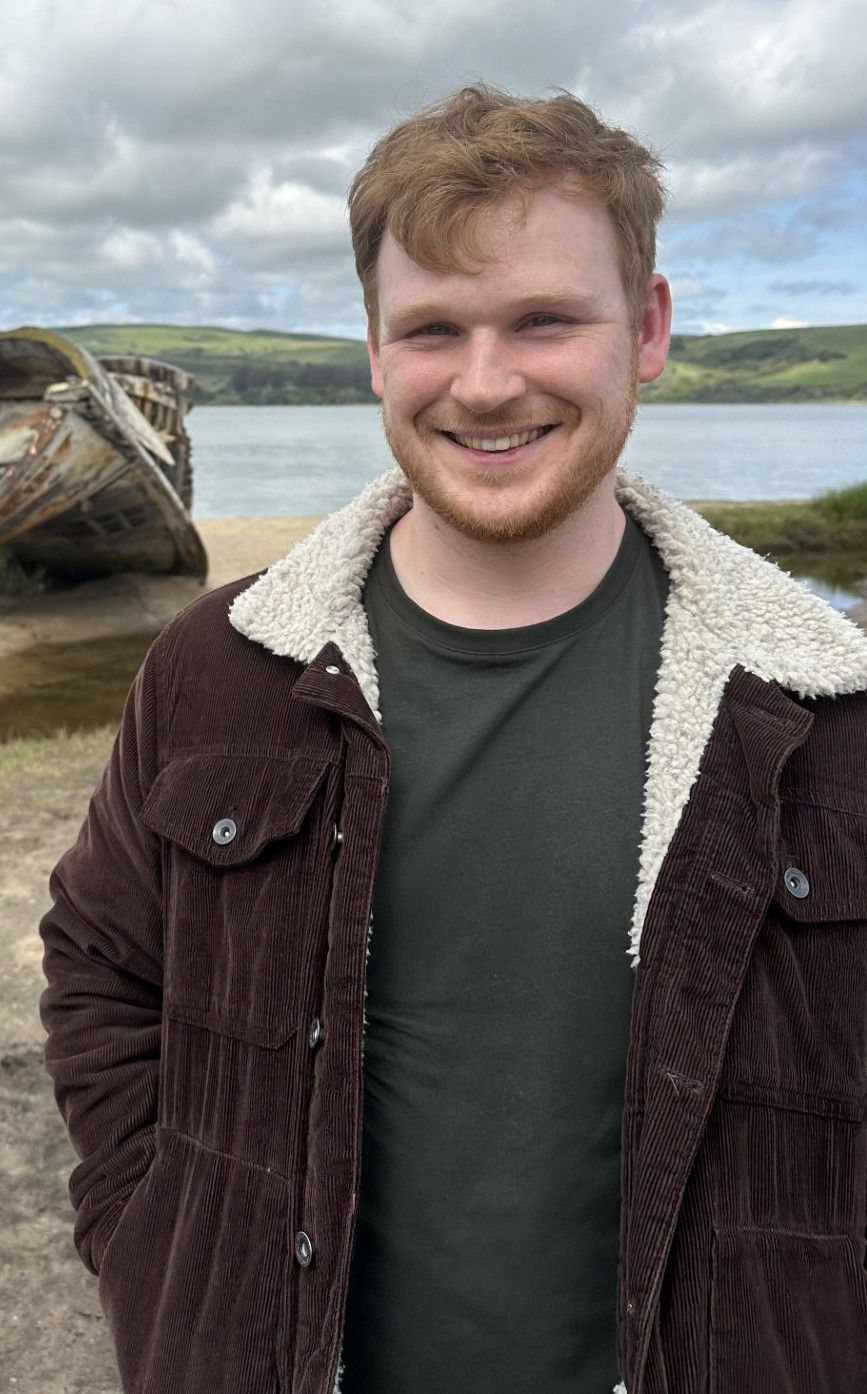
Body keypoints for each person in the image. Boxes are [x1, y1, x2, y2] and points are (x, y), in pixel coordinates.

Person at [38, 83, 867, 1394]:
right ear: (374, 349)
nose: (486, 385)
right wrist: (152, 1244)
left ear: (647, 330)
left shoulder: (819, 711)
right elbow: (98, 962)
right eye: (433, 329)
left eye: (545, 319)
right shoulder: (218, 668)